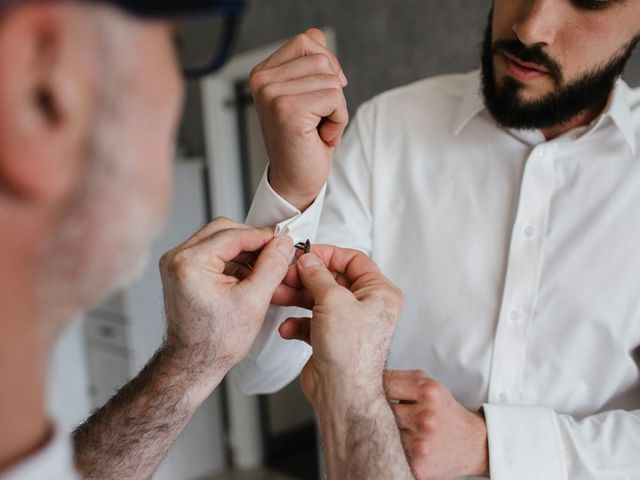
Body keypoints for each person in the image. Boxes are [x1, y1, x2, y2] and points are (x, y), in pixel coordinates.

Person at [0, 1, 414, 479]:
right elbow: (264, 372)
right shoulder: (388, 124)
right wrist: (358, 394)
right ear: (43, 91)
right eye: (174, 45)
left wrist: (191, 361)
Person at [235, 1, 640, 479]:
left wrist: (494, 448)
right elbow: (261, 369)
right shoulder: (389, 127)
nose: (531, 28)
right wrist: (292, 189)